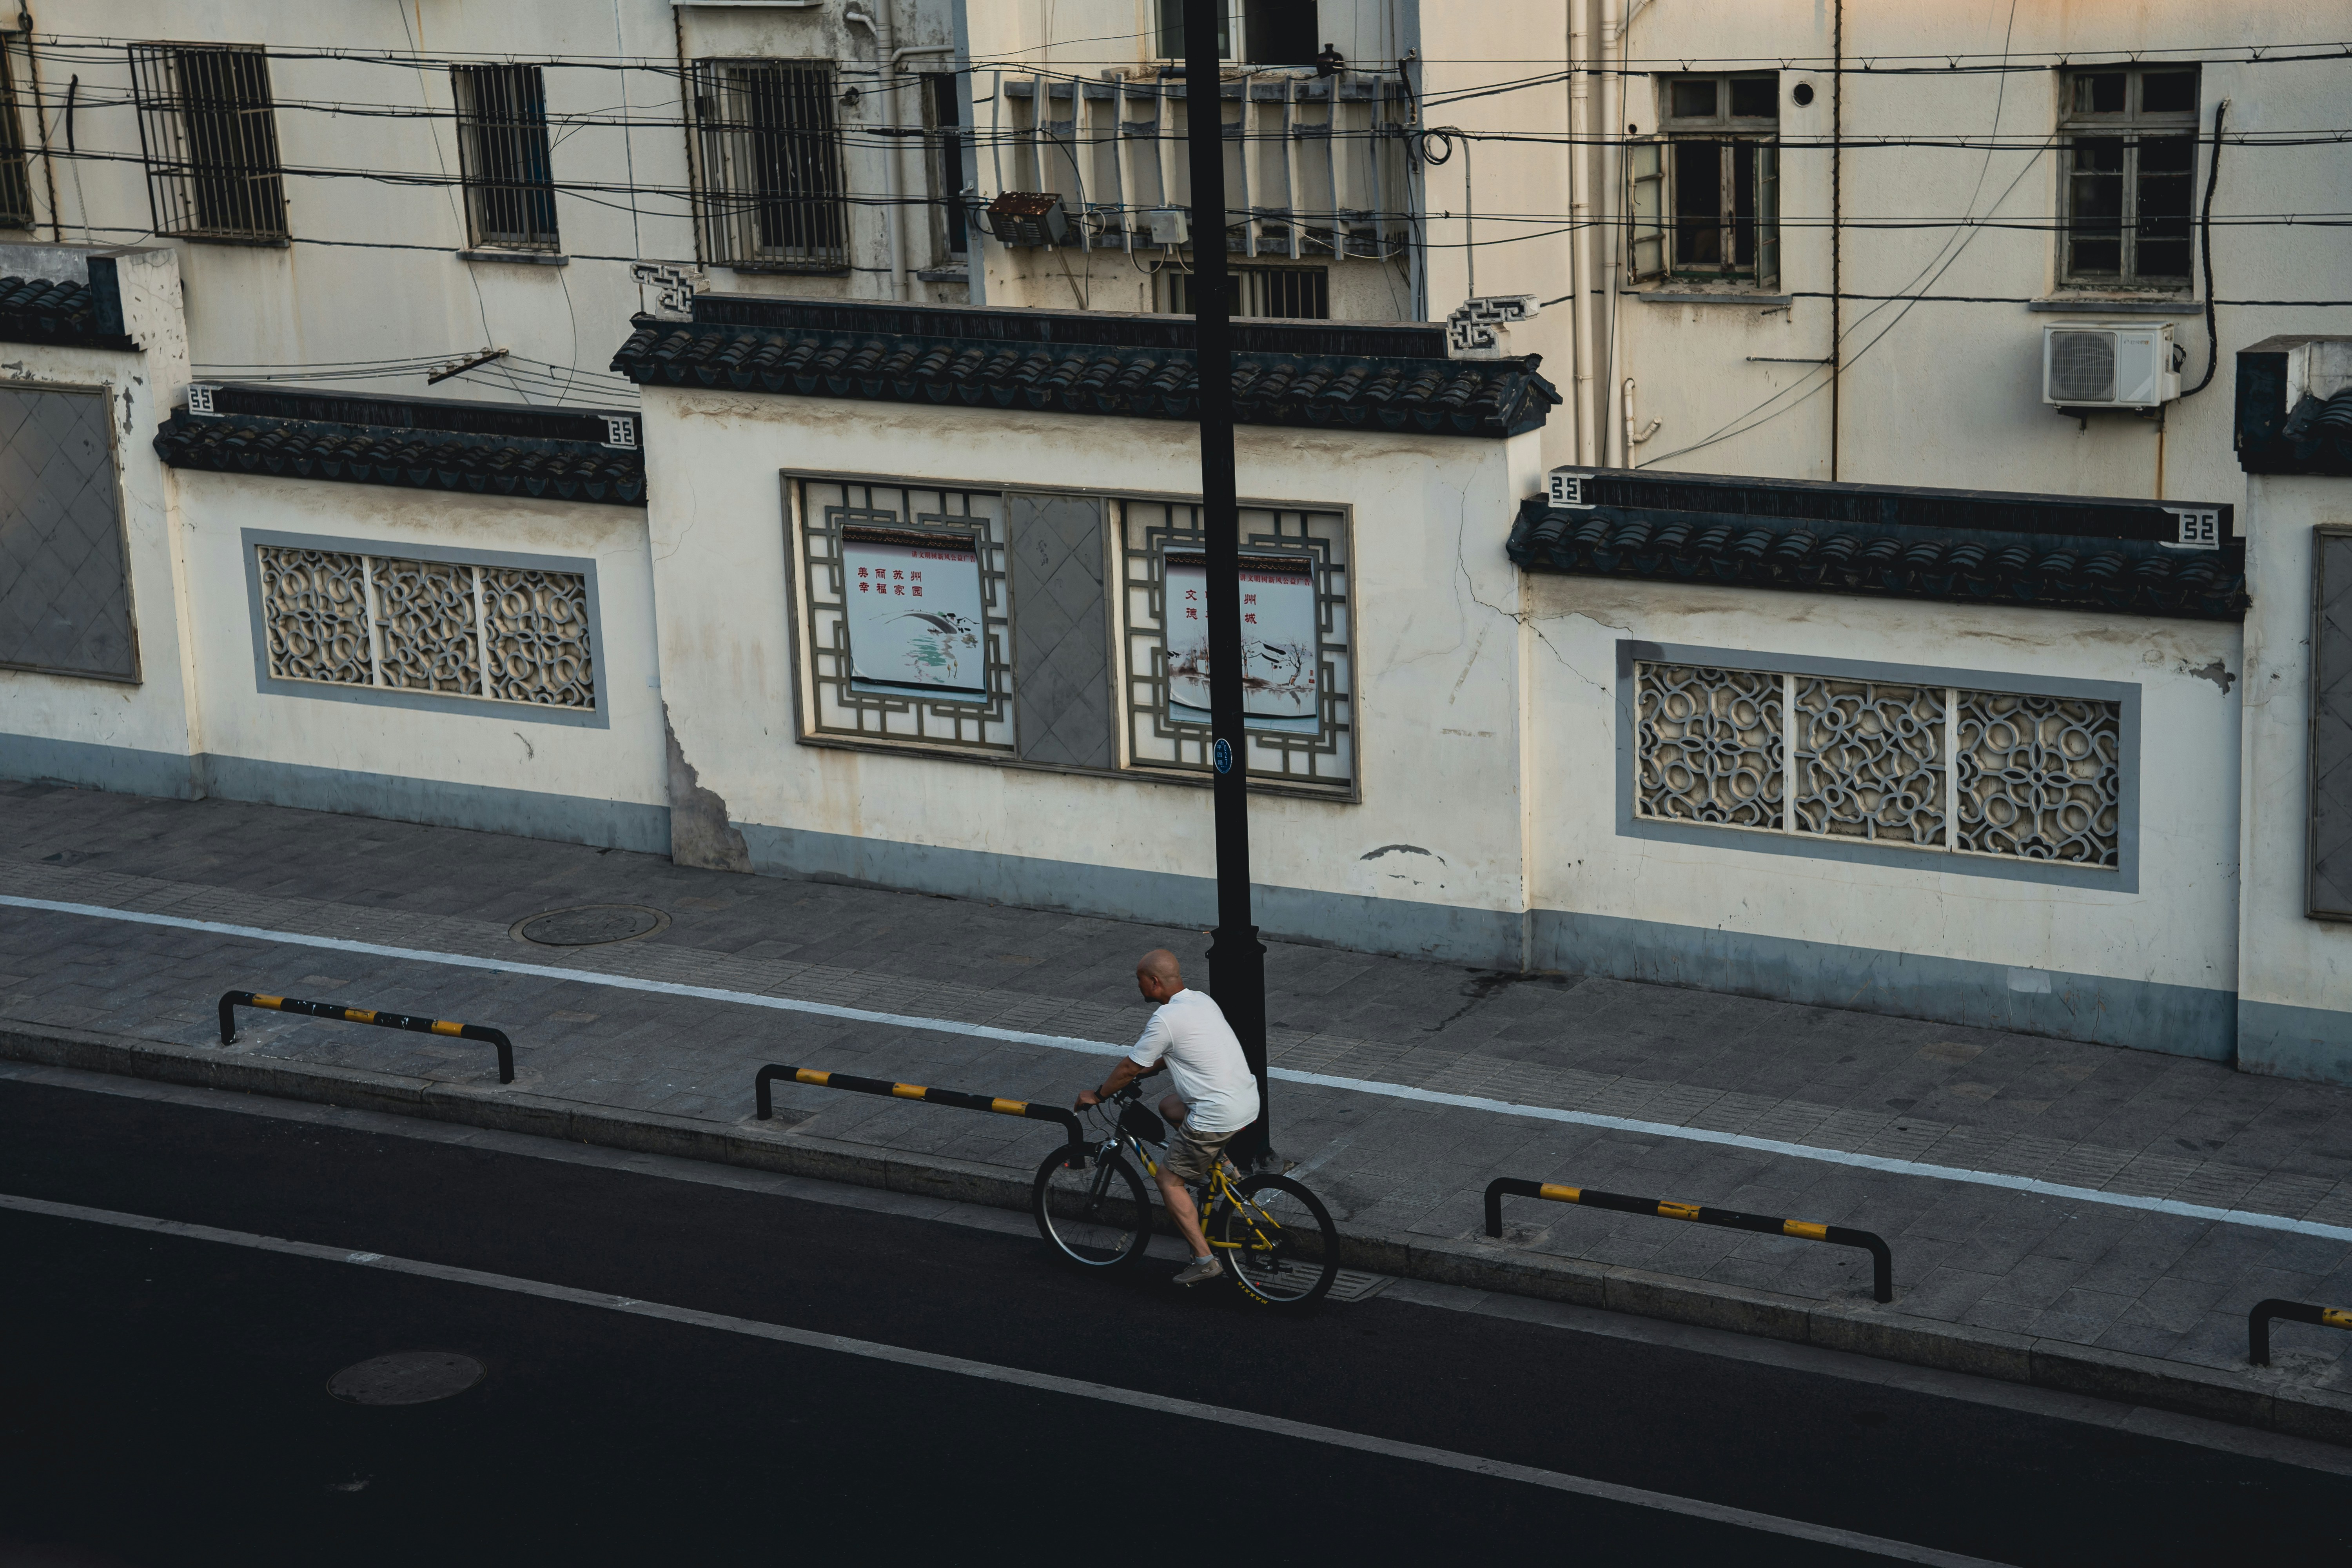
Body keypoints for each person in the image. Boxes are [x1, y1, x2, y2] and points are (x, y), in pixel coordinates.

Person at [1076, 948, 1260, 1286]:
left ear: (1155, 982)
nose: (1138, 986)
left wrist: (1099, 1093)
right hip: (1246, 1100)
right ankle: (1224, 1168)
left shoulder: (1164, 1019)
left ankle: (1205, 1261)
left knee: (1169, 1180)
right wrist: (1141, 1076)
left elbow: (1131, 1066)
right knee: (1170, 1108)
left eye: (1140, 980)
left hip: (1216, 1114)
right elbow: (1173, 1053)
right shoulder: (1202, 1001)